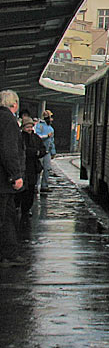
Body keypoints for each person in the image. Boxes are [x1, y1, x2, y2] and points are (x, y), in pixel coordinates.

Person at [0, 89, 26, 266]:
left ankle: (10, 253)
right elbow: (9, 150)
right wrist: (16, 175)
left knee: (9, 217)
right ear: (14, 104)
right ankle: (5, 255)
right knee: (4, 219)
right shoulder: (8, 120)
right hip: (3, 181)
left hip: (3, 182)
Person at [18, 116, 45, 223]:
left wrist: (38, 153)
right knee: (22, 190)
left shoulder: (36, 138)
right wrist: (33, 152)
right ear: (23, 127)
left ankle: (26, 209)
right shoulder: (20, 137)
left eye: (31, 127)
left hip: (32, 168)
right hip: (22, 167)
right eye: (27, 127)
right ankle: (20, 207)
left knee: (30, 189)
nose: (29, 129)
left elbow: (42, 149)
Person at [34, 109, 55, 194]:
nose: (52, 119)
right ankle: (36, 185)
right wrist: (46, 136)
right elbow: (38, 137)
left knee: (47, 169)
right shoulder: (39, 126)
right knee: (38, 169)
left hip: (47, 152)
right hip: (40, 151)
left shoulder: (51, 128)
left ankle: (44, 186)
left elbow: (52, 141)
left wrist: (53, 151)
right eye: (51, 117)